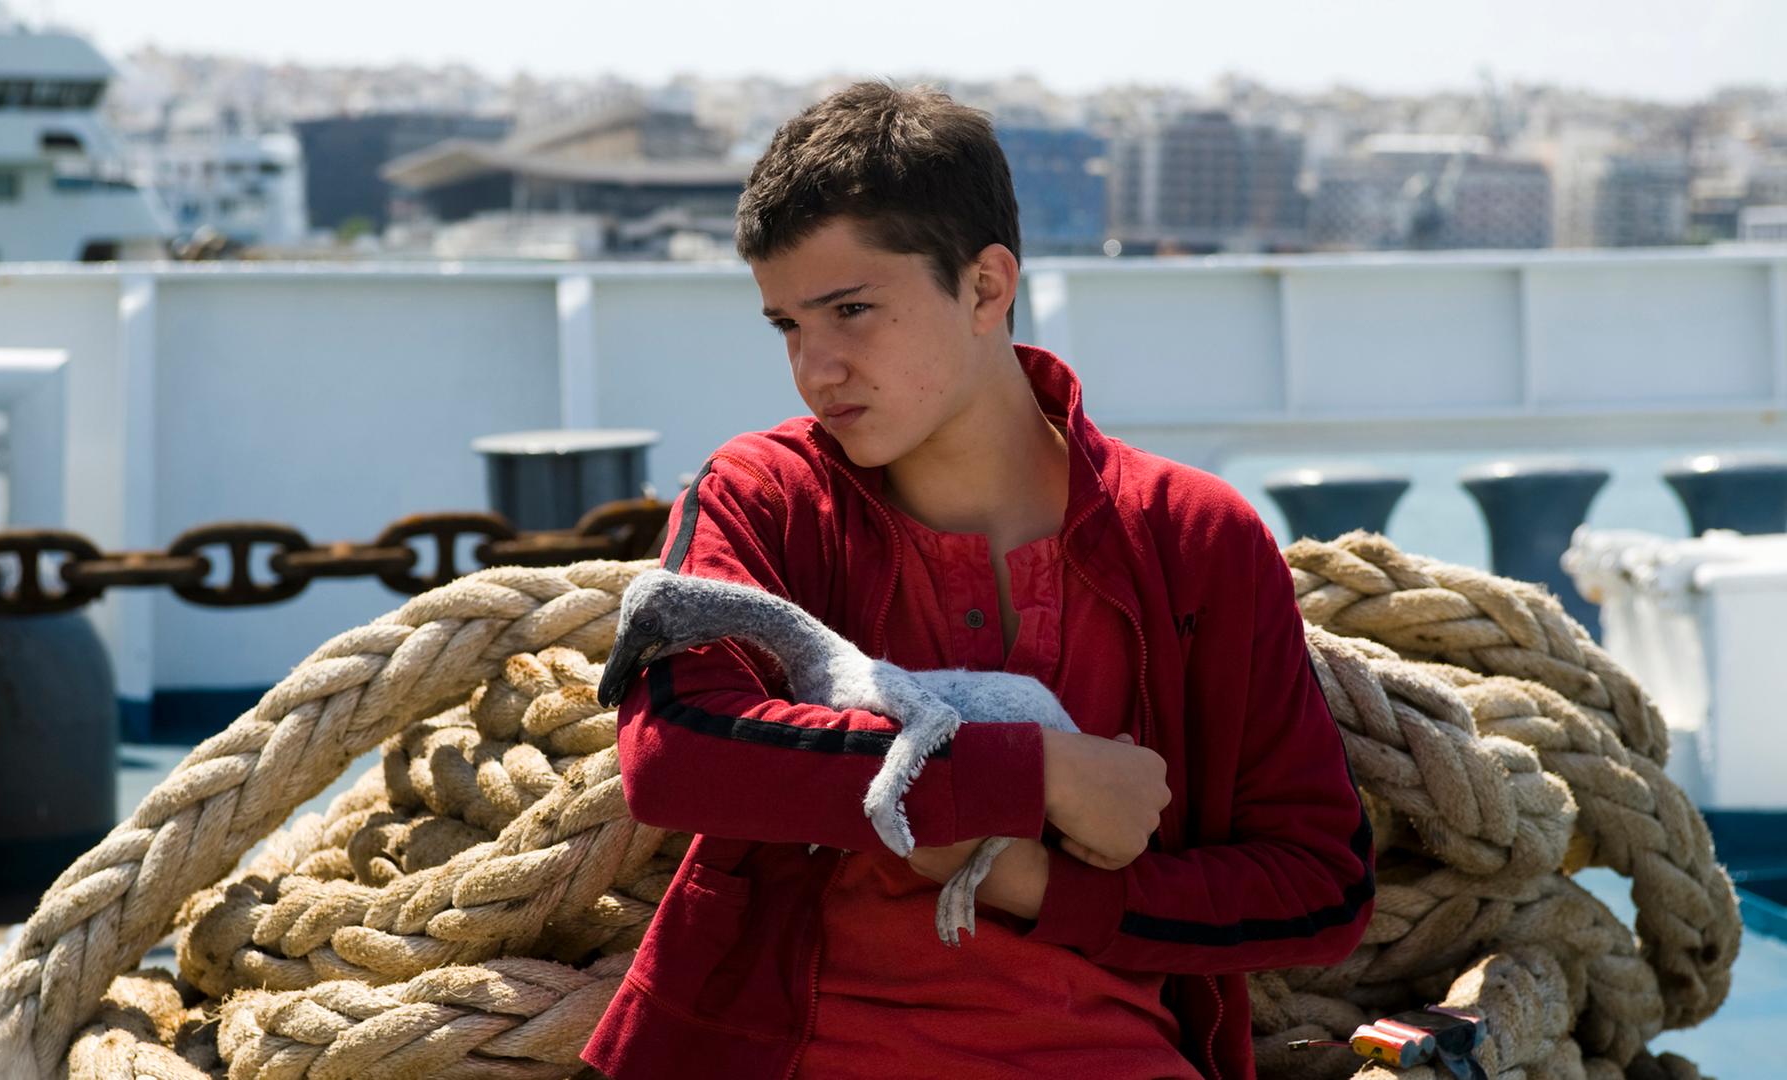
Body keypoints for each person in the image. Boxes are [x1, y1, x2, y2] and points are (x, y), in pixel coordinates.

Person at [580, 81, 1374, 1080]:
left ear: (986, 288)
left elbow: (1320, 886)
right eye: (787, 325)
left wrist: (1036, 882)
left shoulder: (1190, 537)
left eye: (852, 311)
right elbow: (676, 754)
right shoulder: (767, 494)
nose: (815, 370)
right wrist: (1036, 774)